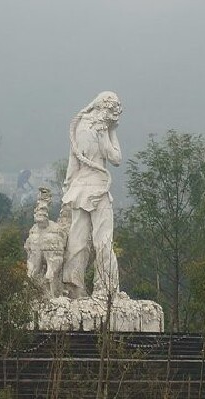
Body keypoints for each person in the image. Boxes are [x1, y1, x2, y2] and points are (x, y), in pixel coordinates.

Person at [61, 91, 123, 299]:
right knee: (103, 240)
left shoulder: (79, 125)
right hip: (98, 187)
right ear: (107, 109)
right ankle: (105, 288)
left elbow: (73, 161)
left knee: (77, 240)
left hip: (78, 188)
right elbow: (115, 158)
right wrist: (113, 132)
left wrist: (67, 186)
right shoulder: (100, 126)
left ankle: (73, 286)